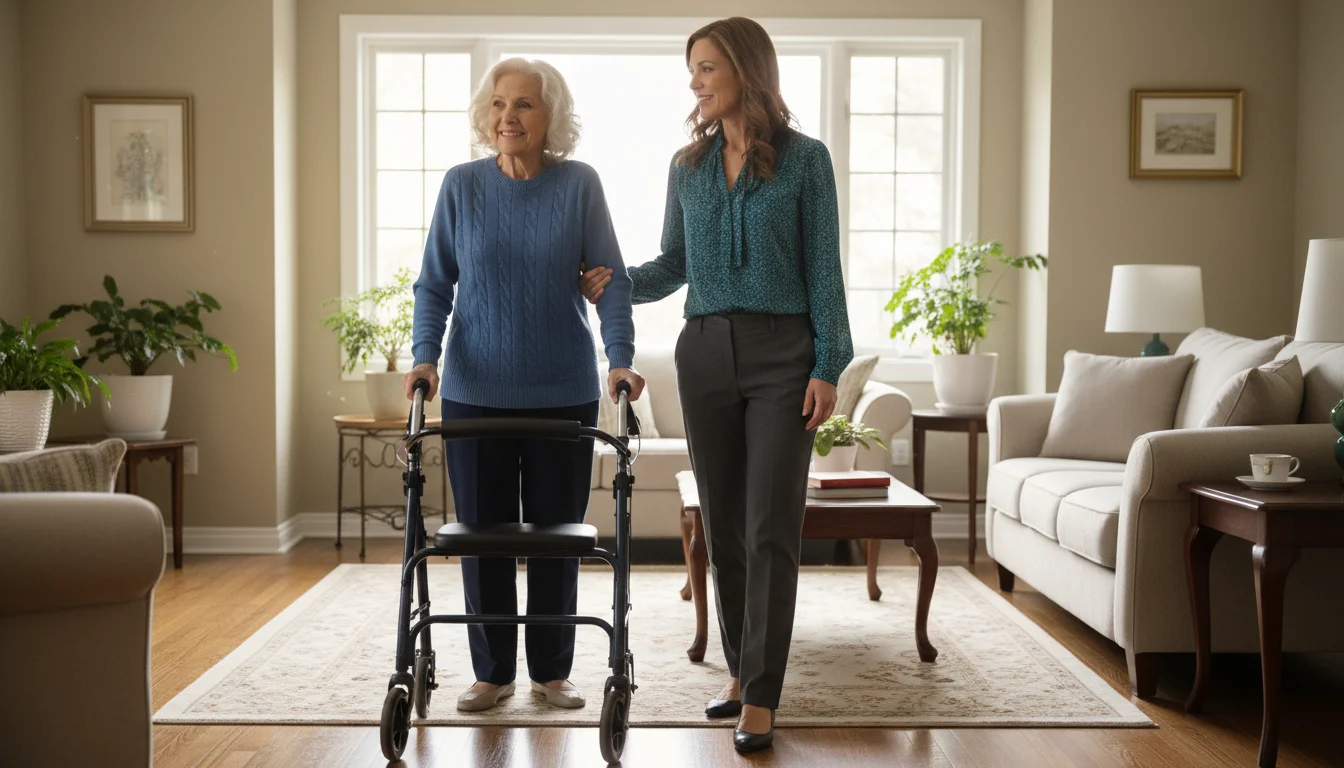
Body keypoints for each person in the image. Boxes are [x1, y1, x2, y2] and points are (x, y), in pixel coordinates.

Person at [579, 17, 852, 754]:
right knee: (727, 522)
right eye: (691, 70)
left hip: (781, 354)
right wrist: (616, 283)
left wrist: (829, 365)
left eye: (706, 68)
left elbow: (824, 272)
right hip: (703, 350)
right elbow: (675, 264)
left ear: (744, 69)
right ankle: (740, 672)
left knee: (771, 527)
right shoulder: (687, 166)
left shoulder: (805, 161)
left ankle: (762, 694)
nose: (695, 82)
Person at [405, 57, 645, 714]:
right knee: (481, 537)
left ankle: (550, 671)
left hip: (562, 387)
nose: (508, 117)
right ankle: (492, 674)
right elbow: (434, 284)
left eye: (525, 105)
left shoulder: (579, 186)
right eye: (498, 105)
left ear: (551, 117)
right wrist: (425, 357)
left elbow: (611, 281)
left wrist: (619, 358)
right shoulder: (461, 186)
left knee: (554, 536)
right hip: (474, 388)